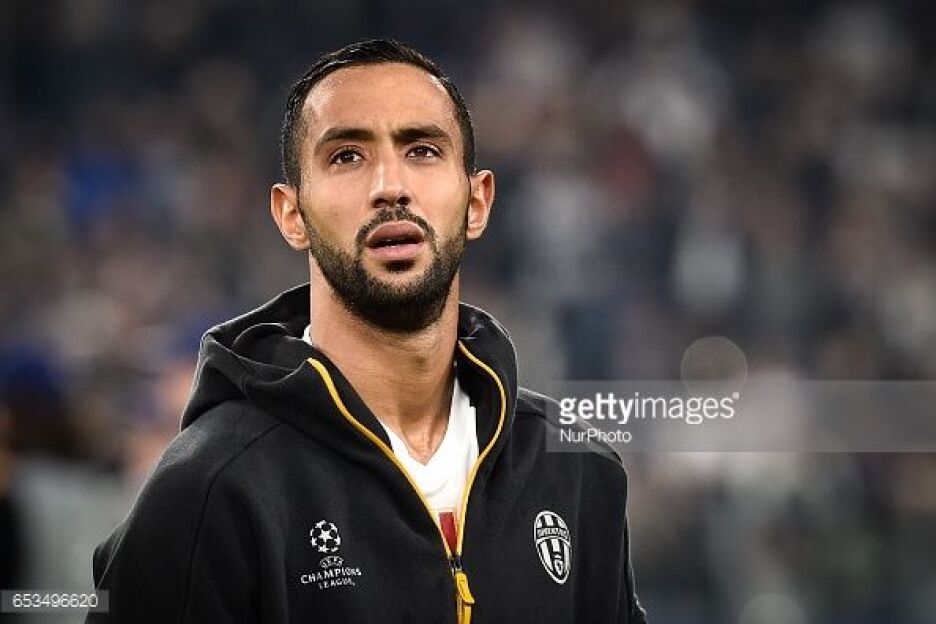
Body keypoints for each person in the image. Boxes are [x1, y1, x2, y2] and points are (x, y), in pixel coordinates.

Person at [88, 38, 647, 623]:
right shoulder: (209, 490)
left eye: (423, 150)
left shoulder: (577, 473)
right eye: (347, 156)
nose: (390, 185)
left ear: (477, 202)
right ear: (292, 215)